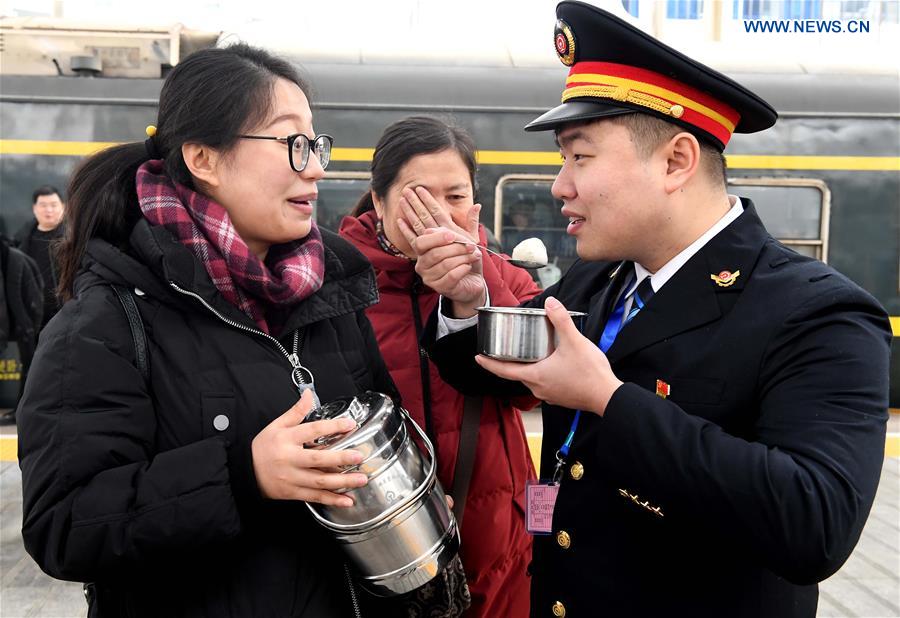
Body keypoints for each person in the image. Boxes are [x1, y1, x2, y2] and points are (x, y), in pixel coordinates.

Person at [403, 3, 892, 617]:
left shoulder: (820, 313)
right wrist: (466, 301)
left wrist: (609, 400)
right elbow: (498, 370)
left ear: (675, 162)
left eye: (579, 156)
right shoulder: (599, 280)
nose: (559, 185)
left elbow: (814, 523)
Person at [17, 43, 403, 617]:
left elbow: (383, 418)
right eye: (293, 143)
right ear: (204, 158)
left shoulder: (331, 294)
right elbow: (64, 524)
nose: (317, 166)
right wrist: (244, 475)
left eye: (316, 143)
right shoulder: (103, 325)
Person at [339, 116, 540, 617]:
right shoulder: (333, 286)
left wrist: (477, 286)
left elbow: (532, 390)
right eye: (417, 197)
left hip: (498, 532)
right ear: (378, 201)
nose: (438, 215)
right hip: (387, 543)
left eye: (454, 197)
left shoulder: (507, 278)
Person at [0, 236, 43, 425]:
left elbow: (33, 295)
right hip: (23, 322)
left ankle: (24, 409)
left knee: (31, 366)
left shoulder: (17, 259)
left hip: (26, 323)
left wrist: (29, 324)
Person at [14, 186, 66, 328]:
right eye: (43, 205)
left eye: (53, 205)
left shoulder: (73, 239)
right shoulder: (20, 240)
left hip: (64, 312)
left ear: (63, 207)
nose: (48, 210)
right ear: (34, 208)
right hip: (31, 314)